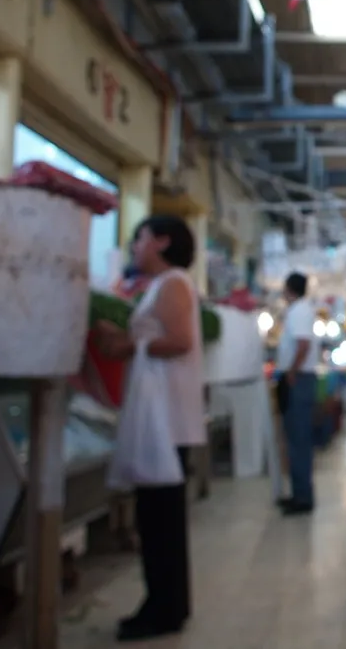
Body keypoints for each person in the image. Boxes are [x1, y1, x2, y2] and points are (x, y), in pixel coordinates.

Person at [94, 215, 206, 642]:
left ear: (161, 242)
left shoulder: (173, 283)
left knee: (161, 521)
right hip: (160, 416)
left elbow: (179, 341)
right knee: (158, 519)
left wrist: (130, 344)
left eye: (139, 238)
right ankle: (164, 604)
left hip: (167, 420)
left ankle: (164, 608)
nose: (134, 246)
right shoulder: (160, 286)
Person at [277, 271, 318, 516]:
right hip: (297, 377)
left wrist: (292, 372)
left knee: (299, 439)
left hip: (299, 379)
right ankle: (298, 492)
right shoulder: (298, 311)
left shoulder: (300, 311)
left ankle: (303, 496)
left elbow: (303, 345)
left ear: (289, 289)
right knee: (294, 438)